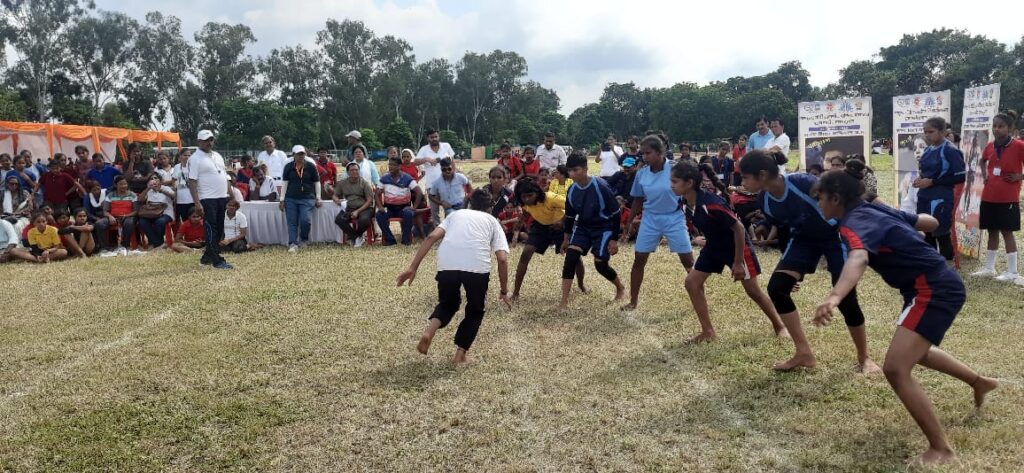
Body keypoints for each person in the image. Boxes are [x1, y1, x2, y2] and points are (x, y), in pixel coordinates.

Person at [812, 160, 998, 466]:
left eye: (819, 197)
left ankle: (942, 449)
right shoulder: (875, 210)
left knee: (896, 368)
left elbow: (858, 256)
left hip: (933, 289)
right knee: (916, 353)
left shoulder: (853, 222)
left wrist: (833, 298)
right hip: (928, 286)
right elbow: (929, 224)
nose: (818, 202)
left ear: (835, 198)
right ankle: (979, 381)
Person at [739, 150, 878, 373]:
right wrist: (791, 269)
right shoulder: (763, 199)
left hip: (836, 236)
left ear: (762, 174)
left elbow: (844, 196)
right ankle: (804, 353)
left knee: (847, 299)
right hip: (803, 239)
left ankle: (864, 358)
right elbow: (783, 229)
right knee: (777, 288)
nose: (741, 182)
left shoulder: (803, 183)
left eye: (745, 177)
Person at [670, 161, 788, 342]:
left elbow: (739, 228)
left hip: (736, 247)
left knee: (753, 291)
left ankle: (780, 326)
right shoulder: (685, 203)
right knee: (692, 283)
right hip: (713, 248)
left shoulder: (711, 203)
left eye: (675, 181)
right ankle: (708, 332)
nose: (671, 185)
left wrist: (738, 261)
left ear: (689, 183)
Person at [396, 187, 511, 366]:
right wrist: (504, 290)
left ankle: (429, 332)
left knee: (447, 304)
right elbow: (502, 259)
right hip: (477, 268)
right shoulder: (492, 221)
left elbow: (431, 237)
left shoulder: (456, 215)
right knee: (475, 311)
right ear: (490, 206)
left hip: (447, 264)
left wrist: (413, 267)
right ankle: (460, 356)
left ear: (471, 203)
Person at [620, 135, 695, 311]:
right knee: (639, 260)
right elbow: (637, 200)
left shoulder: (676, 169)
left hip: (674, 217)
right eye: (642, 153)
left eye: (648, 153)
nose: (644, 157)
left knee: (688, 260)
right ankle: (633, 301)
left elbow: (691, 190)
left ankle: (698, 295)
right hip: (650, 218)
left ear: (660, 152)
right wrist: (629, 223)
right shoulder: (641, 174)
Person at [559, 151, 626, 310]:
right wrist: (566, 238)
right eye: (570, 170)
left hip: (604, 228)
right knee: (570, 258)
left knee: (600, 265)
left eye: (576, 170)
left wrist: (614, 239)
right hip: (582, 227)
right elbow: (569, 217)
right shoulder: (572, 190)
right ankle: (563, 301)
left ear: (586, 168)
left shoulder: (601, 186)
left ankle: (620, 287)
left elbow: (616, 213)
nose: (572, 174)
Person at [510, 179, 587, 300]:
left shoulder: (551, 198)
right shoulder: (523, 202)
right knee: (525, 254)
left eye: (530, 196)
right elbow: (525, 213)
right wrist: (517, 230)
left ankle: (582, 286)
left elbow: (573, 206)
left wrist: (562, 222)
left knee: (574, 257)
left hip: (560, 226)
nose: (527, 199)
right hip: (540, 226)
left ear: (537, 192)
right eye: (524, 197)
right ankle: (515, 293)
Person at [968, 110, 1023, 281]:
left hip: (1008, 198)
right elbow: (983, 160)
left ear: (1010, 128)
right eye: (994, 126)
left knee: (1007, 232)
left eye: (1001, 126)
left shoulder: (1019, 146)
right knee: (992, 231)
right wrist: (985, 175)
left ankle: (1012, 271)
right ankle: (989, 267)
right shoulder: (990, 146)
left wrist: (1020, 177)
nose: (996, 129)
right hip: (989, 196)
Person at [915, 117, 965, 262]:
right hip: (924, 196)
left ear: (943, 132)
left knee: (941, 233)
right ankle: (931, 266)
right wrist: (920, 180)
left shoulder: (950, 150)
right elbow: (925, 173)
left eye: (931, 131)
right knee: (926, 232)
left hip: (941, 198)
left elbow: (960, 177)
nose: (927, 135)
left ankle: (947, 269)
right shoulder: (928, 150)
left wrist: (933, 182)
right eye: (925, 132)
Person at [187, 130, 233, 269]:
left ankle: (207, 257)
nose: (209, 143)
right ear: (199, 141)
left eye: (211, 139)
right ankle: (216, 260)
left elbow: (224, 176)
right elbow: (192, 181)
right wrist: (197, 202)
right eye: (206, 140)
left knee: (219, 229)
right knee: (211, 229)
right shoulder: (195, 158)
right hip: (207, 198)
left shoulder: (218, 156)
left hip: (221, 197)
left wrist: (230, 194)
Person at [279, 145, 322, 253]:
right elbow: (284, 184)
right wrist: (282, 199)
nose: (301, 156)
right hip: (291, 198)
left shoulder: (311, 166)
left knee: (305, 220)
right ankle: (293, 243)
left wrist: (318, 197)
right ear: (293, 155)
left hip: (307, 198)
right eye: (298, 154)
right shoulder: (288, 167)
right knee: (292, 222)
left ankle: (304, 239)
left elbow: (317, 182)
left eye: (302, 154)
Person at [376, 157, 421, 246]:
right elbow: (376, 194)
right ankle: (390, 240)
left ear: (399, 166)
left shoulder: (407, 178)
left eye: (393, 165)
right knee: (379, 215)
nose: (390, 167)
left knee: (409, 214)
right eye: (390, 164)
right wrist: (380, 207)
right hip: (389, 208)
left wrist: (414, 207)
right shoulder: (384, 178)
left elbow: (419, 192)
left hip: (404, 208)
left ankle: (405, 240)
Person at [414, 129, 455, 226]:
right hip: (431, 185)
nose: (434, 139)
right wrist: (426, 159)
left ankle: (449, 229)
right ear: (428, 138)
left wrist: (454, 175)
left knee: (448, 208)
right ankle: (437, 230)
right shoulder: (424, 149)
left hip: (447, 183)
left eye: (436, 136)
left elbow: (453, 162)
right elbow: (415, 162)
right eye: (431, 137)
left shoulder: (446, 146)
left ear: (438, 137)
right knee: (434, 210)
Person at [333, 162, 375, 247]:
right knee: (339, 219)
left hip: (364, 208)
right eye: (352, 170)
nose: (354, 172)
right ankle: (356, 237)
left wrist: (357, 211)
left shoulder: (364, 183)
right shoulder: (342, 183)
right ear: (348, 172)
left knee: (364, 220)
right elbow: (334, 195)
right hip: (349, 207)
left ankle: (354, 237)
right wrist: (336, 200)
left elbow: (369, 200)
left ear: (359, 171)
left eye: (356, 170)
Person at [137, 175, 175, 250]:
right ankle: (159, 244)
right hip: (151, 213)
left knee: (159, 222)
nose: (153, 180)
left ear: (160, 180)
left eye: (155, 178)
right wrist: (148, 188)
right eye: (151, 179)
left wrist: (160, 190)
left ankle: (154, 243)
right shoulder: (149, 190)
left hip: (165, 213)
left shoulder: (166, 188)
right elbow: (140, 200)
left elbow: (173, 196)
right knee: (142, 221)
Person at [101, 176, 138, 253]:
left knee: (129, 223)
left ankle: (125, 245)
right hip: (113, 217)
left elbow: (136, 211)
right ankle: (105, 247)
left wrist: (126, 216)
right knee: (99, 224)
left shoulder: (132, 195)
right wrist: (110, 216)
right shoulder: (110, 195)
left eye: (125, 184)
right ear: (116, 185)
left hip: (128, 217)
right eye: (121, 184)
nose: (123, 186)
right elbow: (105, 211)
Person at [171, 149, 194, 221]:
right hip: (181, 200)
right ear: (180, 156)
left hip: (193, 199)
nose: (187, 157)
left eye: (189, 155)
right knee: (185, 220)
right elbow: (173, 180)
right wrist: (174, 191)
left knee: (194, 220)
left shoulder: (194, 167)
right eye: (185, 155)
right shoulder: (177, 167)